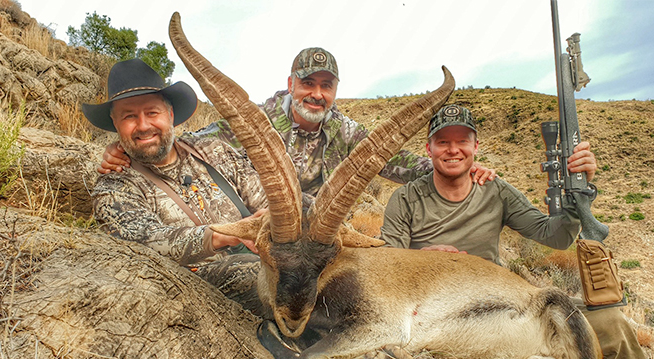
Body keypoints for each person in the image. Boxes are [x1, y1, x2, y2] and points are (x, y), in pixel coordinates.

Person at [381, 104, 647, 359]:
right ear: (429, 148)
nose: (453, 150)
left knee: (611, 320)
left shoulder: (496, 191)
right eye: (443, 142)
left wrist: (577, 193)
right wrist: (420, 259)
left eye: (462, 141)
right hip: (438, 314)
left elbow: (555, 237)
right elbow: (386, 269)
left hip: (505, 303)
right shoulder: (405, 199)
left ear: (475, 146)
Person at [97, 47, 497, 194]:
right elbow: (193, 145)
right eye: (308, 83)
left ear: (336, 90)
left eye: (327, 85)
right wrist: (128, 148)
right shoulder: (256, 122)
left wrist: (457, 165)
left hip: (325, 236)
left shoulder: (345, 132)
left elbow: (400, 162)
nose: (317, 94)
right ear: (291, 83)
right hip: (272, 232)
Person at [86, 59, 267, 314]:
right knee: (263, 277)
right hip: (194, 290)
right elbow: (143, 242)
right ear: (115, 125)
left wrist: (270, 221)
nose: (144, 125)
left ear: (170, 115)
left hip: (268, 262)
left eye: (152, 112)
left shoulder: (214, 152)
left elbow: (266, 200)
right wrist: (229, 233)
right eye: (129, 116)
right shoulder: (113, 187)